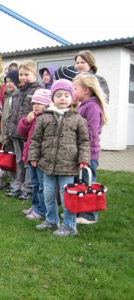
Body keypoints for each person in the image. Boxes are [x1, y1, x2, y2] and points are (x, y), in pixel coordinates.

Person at [29, 79, 90, 237]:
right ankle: (51, 220)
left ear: (72, 98)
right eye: (58, 95)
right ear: (52, 98)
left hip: (68, 167)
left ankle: (69, 225)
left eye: (66, 95)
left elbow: (84, 142)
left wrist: (83, 160)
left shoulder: (78, 119)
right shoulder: (44, 118)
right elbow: (36, 140)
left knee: (67, 197)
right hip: (47, 165)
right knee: (48, 195)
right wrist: (33, 156)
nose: (62, 98)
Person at [73, 72, 108, 224]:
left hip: (89, 153)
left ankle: (90, 215)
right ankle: (78, 212)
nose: (72, 91)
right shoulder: (83, 105)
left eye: (75, 88)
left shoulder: (92, 107)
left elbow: (91, 133)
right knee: (80, 183)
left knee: (87, 184)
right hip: (79, 152)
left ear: (86, 90)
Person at [5, 60, 42, 200]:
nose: (23, 77)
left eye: (27, 74)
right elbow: (12, 113)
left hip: (30, 133)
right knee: (19, 160)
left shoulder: (38, 91)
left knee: (27, 161)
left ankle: (28, 187)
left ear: (35, 74)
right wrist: (9, 130)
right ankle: (17, 185)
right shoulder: (17, 92)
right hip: (16, 132)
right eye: (21, 74)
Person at [18, 89, 52, 220]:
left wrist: (37, 157)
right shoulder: (32, 117)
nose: (36, 106)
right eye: (34, 103)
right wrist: (27, 121)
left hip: (40, 158)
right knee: (35, 184)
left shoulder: (46, 119)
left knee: (42, 185)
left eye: (39, 103)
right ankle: (36, 206)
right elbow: (21, 132)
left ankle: (41, 210)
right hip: (30, 156)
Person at [0, 69, 20, 190]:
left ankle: (16, 182)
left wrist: (9, 133)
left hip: (13, 133)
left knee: (16, 159)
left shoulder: (17, 98)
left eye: (11, 81)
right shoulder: (7, 98)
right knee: (9, 158)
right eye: (6, 81)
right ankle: (11, 181)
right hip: (6, 133)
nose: (8, 84)